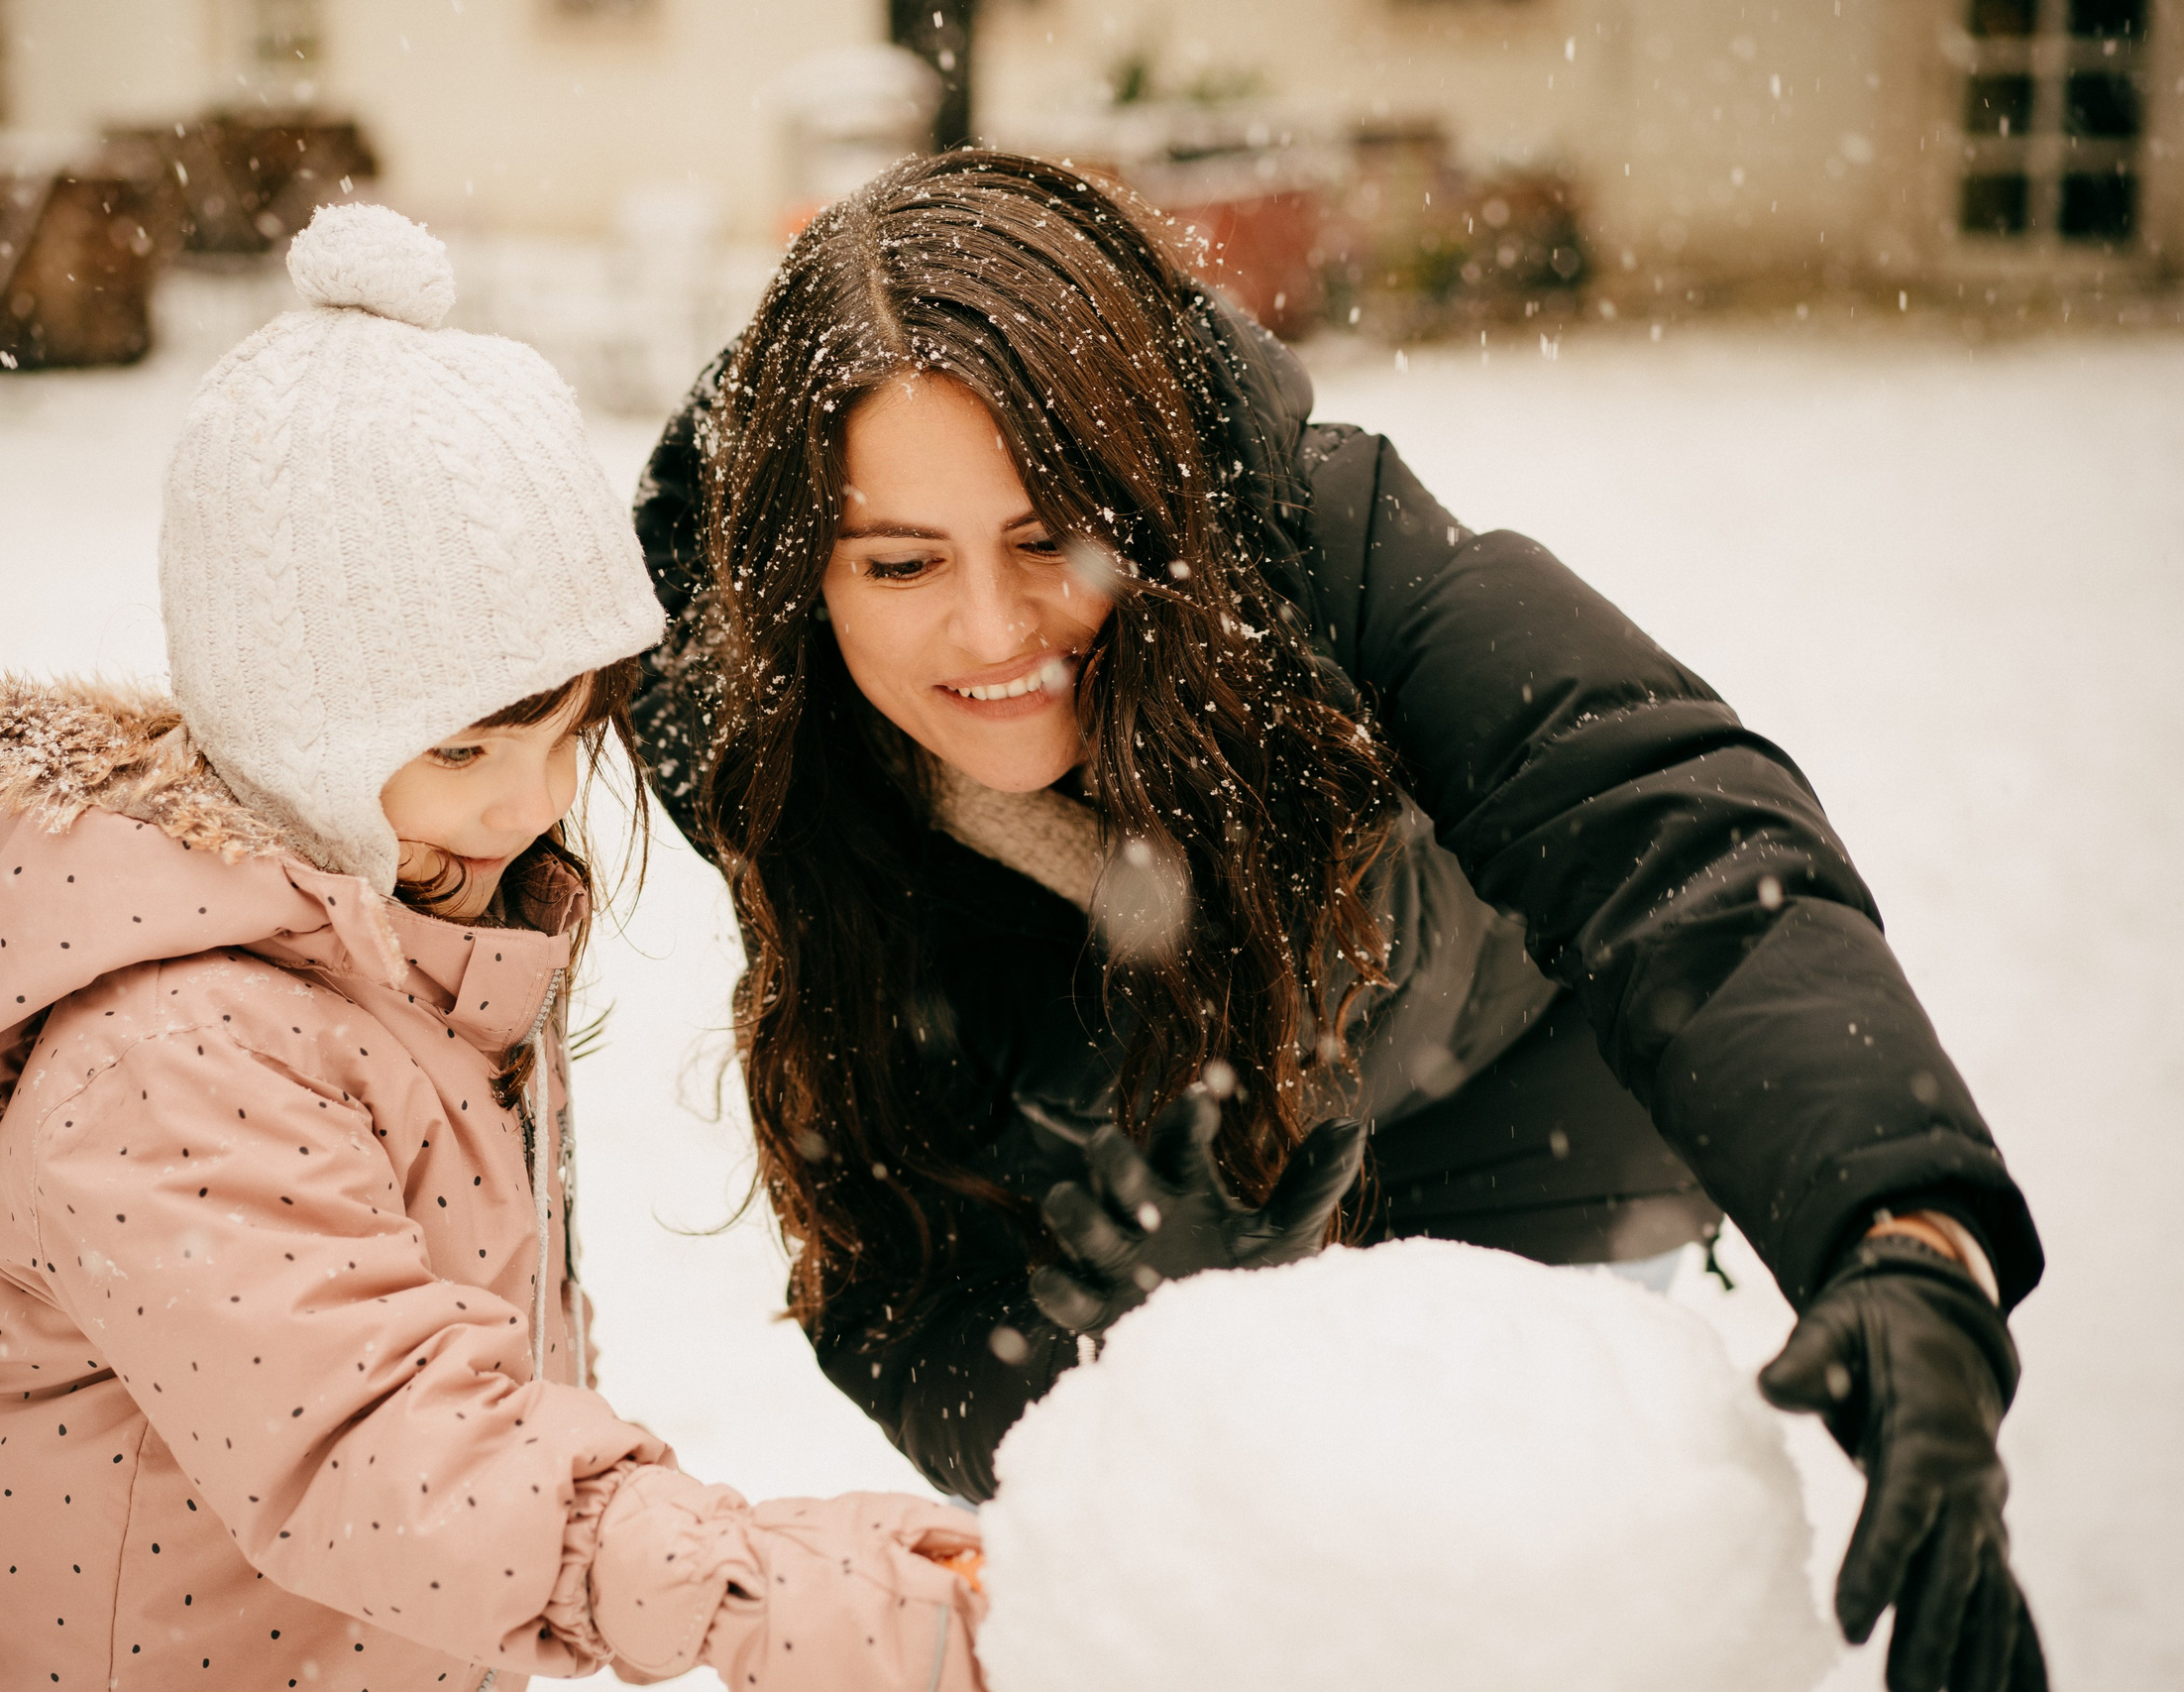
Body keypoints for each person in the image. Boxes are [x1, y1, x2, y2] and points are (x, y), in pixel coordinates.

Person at [628, 154, 2047, 1692]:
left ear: (1147, 490)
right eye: (901, 562)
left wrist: (1904, 1230)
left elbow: (1666, 830)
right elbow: (899, 1284)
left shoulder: (1304, 530)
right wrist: (1120, 1342)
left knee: (1525, 1609)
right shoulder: (773, 744)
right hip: (1136, 1209)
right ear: (799, 575)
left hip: (1516, 1124)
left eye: (1050, 539)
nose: (991, 631)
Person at [0, 204, 984, 1692]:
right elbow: (380, 1442)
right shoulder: (178, 1052)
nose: (529, 804)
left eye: (564, 731)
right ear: (289, 728)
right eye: (463, 746)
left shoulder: (414, 936)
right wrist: (751, 1592)